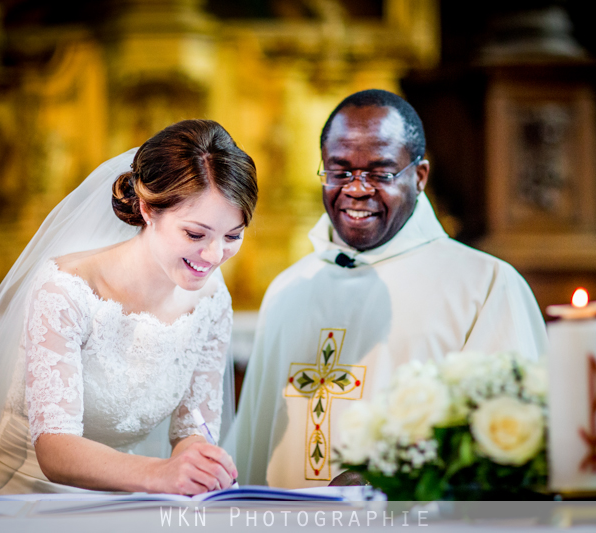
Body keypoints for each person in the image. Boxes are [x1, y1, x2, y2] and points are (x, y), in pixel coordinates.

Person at [226, 89, 549, 488]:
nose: (357, 189)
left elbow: (511, 443)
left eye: (380, 173)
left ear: (419, 176)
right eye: (339, 171)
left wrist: (393, 483)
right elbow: (253, 442)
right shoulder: (289, 288)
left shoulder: (486, 285)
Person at [0, 120, 258, 495]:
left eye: (233, 236)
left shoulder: (212, 300)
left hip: (122, 501)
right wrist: (160, 474)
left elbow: (192, 428)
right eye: (195, 234)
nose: (214, 255)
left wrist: (199, 462)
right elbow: (55, 451)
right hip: (23, 494)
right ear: (148, 209)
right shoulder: (66, 289)